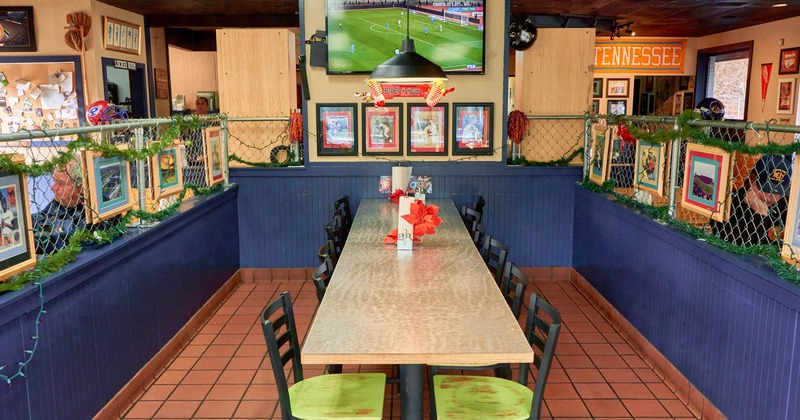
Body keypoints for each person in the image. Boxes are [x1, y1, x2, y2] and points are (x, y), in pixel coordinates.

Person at [711, 154, 792, 247]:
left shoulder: (785, 204)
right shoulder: (729, 204)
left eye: (779, 191)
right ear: (751, 180)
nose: (770, 196)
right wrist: (761, 213)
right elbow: (745, 249)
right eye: (765, 189)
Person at [32, 156, 88, 254]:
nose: (53, 188)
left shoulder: (90, 211)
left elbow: (63, 240)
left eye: (60, 183)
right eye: (54, 181)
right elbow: (40, 217)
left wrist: (28, 243)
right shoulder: (59, 202)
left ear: (81, 186)